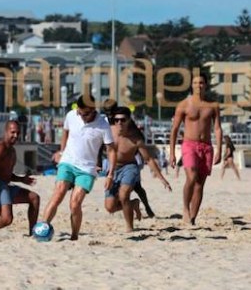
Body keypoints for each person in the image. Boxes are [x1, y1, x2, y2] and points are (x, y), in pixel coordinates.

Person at [40, 94, 116, 240]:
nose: (82, 116)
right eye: (79, 113)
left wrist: (110, 175)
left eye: (85, 114)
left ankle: (74, 236)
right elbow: (65, 132)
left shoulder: (103, 124)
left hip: (87, 169)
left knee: (74, 204)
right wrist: (61, 152)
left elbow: (111, 150)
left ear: (94, 109)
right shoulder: (71, 115)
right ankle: (43, 227)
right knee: (58, 193)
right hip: (68, 162)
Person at [105, 107, 171, 231]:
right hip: (112, 168)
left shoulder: (136, 137)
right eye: (116, 120)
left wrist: (162, 179)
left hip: (129, 167)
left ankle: (129, 227)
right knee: (110, 207)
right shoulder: (108, 131)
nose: (119, 123)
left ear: (129, 120)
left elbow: (149, 159)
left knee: (124, 195)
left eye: (123, 120)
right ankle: (133, 204)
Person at [169, 74, 222, 225]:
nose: (198, 85)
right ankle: (185, 209)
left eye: (201, 83)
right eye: (195, 82)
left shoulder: (213, 106)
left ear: (206, 85)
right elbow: (174, 129)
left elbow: (217, 128)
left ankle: (192, 218)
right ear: (191, 85)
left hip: (206, 147)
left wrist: (219, 149)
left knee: (200, 184)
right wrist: (172, 153)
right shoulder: (184, 105)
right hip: (189, 145)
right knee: (191, 177)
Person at [0, 120, 40, 235]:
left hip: (5, 186)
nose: (15, 136)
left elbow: (7, 174)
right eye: (12, 132)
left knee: (34, 198)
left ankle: (33, 233)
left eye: (17, 133)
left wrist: (22, 179)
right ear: (6, 132)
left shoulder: (12, 151)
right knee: (6, 219)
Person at [102, 98, 155, 217]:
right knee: (115, 190)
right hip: (112, 160)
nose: (109, 114)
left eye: (110, 111)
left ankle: (146, 206)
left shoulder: (123, 119)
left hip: (131, 158)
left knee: (137, 187)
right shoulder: (105, 121)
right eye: (106, 111)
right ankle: (129, 204)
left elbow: (137, 136)